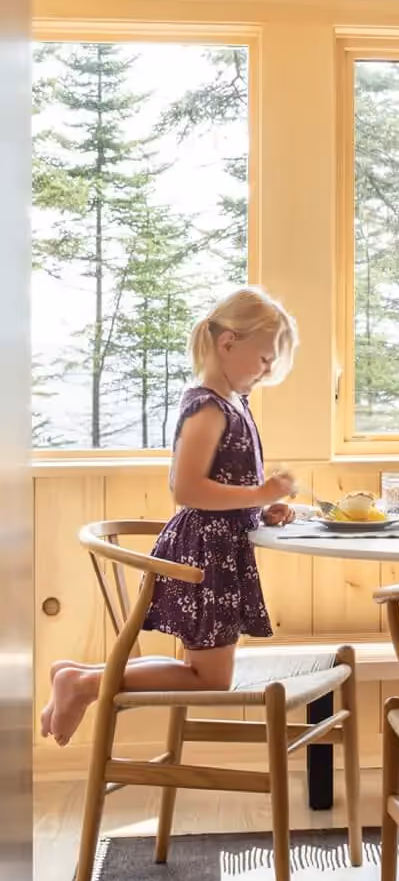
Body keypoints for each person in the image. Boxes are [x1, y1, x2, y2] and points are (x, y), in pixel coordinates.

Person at [41, 287, 302, 745]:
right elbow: (187, 489)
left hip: (219, 553)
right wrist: (259, 492)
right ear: (229, 343)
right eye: (263, 359)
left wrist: (263, 508)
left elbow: (223, 484)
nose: (266, 370)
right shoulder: (207, 408)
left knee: (203, 671)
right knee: (208, 678)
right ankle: (83, 684)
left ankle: (79, 675)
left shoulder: (233, 403)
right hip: (203, 556)